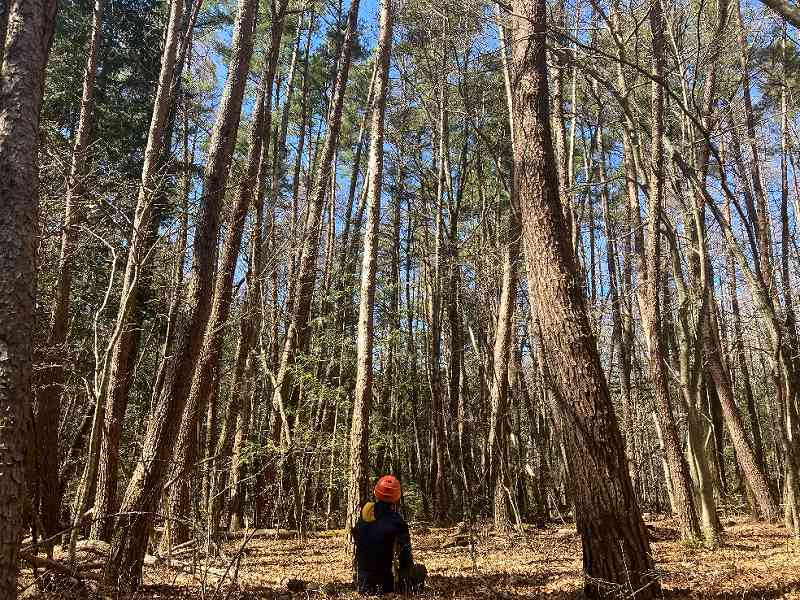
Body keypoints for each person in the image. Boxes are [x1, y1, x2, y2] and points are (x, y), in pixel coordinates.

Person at [351, 475, 426, 595]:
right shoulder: (397, 521)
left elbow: (357, 537)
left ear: (376, 493)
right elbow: (405, 557)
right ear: (396, 497)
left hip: (362, 582)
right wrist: (406, 579)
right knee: (421, 570)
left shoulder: (365, 513)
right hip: (385, 585)